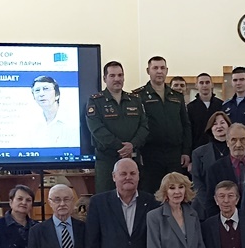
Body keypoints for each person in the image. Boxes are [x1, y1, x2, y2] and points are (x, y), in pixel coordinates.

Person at [86, 60, 149, 194]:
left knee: (134, 198)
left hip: (132, 158)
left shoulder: (135, 100)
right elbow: (97, 129)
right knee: (106, 199)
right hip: (107, 160)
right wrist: (121, 147)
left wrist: (132, 145)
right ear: (105, 79)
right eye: (112, 76)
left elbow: (144, 127)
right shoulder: (95, 101)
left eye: (120, 75)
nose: (117, 79)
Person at [134, 56, 191, 194]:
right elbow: (135, 126)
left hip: (174, 154)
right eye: (155, 68)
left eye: (162, 68)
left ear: (167, 70)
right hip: (150, 153)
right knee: (152, 192)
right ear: (148, 71)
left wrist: (186, 151)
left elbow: (185, 125)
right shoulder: (138, 96)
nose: (159, 71)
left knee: (175, 191)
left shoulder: (177, 96)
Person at [205, 124, 245, 214]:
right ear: (227, 142)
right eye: (234, 140)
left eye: (242, 139)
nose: (238, 144)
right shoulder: (215, 169)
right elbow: (211, 202)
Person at [191, 111, 232, 218]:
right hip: (205, 208)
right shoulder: (198, 153)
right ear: (210, 128)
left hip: (232, 205)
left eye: (222, 123)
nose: (219, 126)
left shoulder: (236, 151)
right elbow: (197, 182)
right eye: (215, 124)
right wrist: (209, 205)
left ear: (229, 126)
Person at [29, 75, 78, 147]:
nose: (41, 94)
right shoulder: (32, 125)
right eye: (37, 90)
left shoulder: (73, 122)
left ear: (57, 95)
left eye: (46, 89)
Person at [187, 72, 222, 150]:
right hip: (197, 149)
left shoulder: (221, 105)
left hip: (218, 148)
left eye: (207, 82)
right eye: (201, 83)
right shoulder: (190, 108)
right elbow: (188, 132)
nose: (204, 85)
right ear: (196, 85)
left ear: (212, 85)